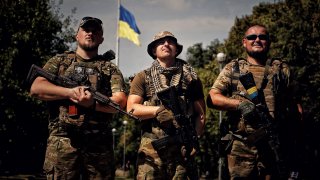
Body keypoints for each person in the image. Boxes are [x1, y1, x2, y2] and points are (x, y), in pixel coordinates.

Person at [30, 16, 127, 179]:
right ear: (77, 35)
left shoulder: (109, 68)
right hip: (62, 142)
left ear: (101, 38)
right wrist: (70, 92)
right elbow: (36, 88)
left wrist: (92, 104)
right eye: (86, 30)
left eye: (95, 31)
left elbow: (120, 102)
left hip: (99, 145)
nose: (90, 33)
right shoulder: (59, 62)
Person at [208, 24, 302, 179]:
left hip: (274, 145)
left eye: (262, 37)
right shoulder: (234, 68)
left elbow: (296, 107)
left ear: (269, 42)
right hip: (241, 148)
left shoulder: (281, 70)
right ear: (244, 42)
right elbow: (212, 98)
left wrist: (293, 140)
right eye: (252, 37)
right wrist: (239, 104)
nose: (257, 40)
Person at [127, 31, 206, 179]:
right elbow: (131, 108)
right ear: (153, 50)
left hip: (183, 148)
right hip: (152, 147)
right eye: (161, 42)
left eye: (170, 41)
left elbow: (200, 114)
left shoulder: (190, 77)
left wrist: (195, 138)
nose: (166, 44)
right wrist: (157, 110)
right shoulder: (143, 76)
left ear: (176, 49)